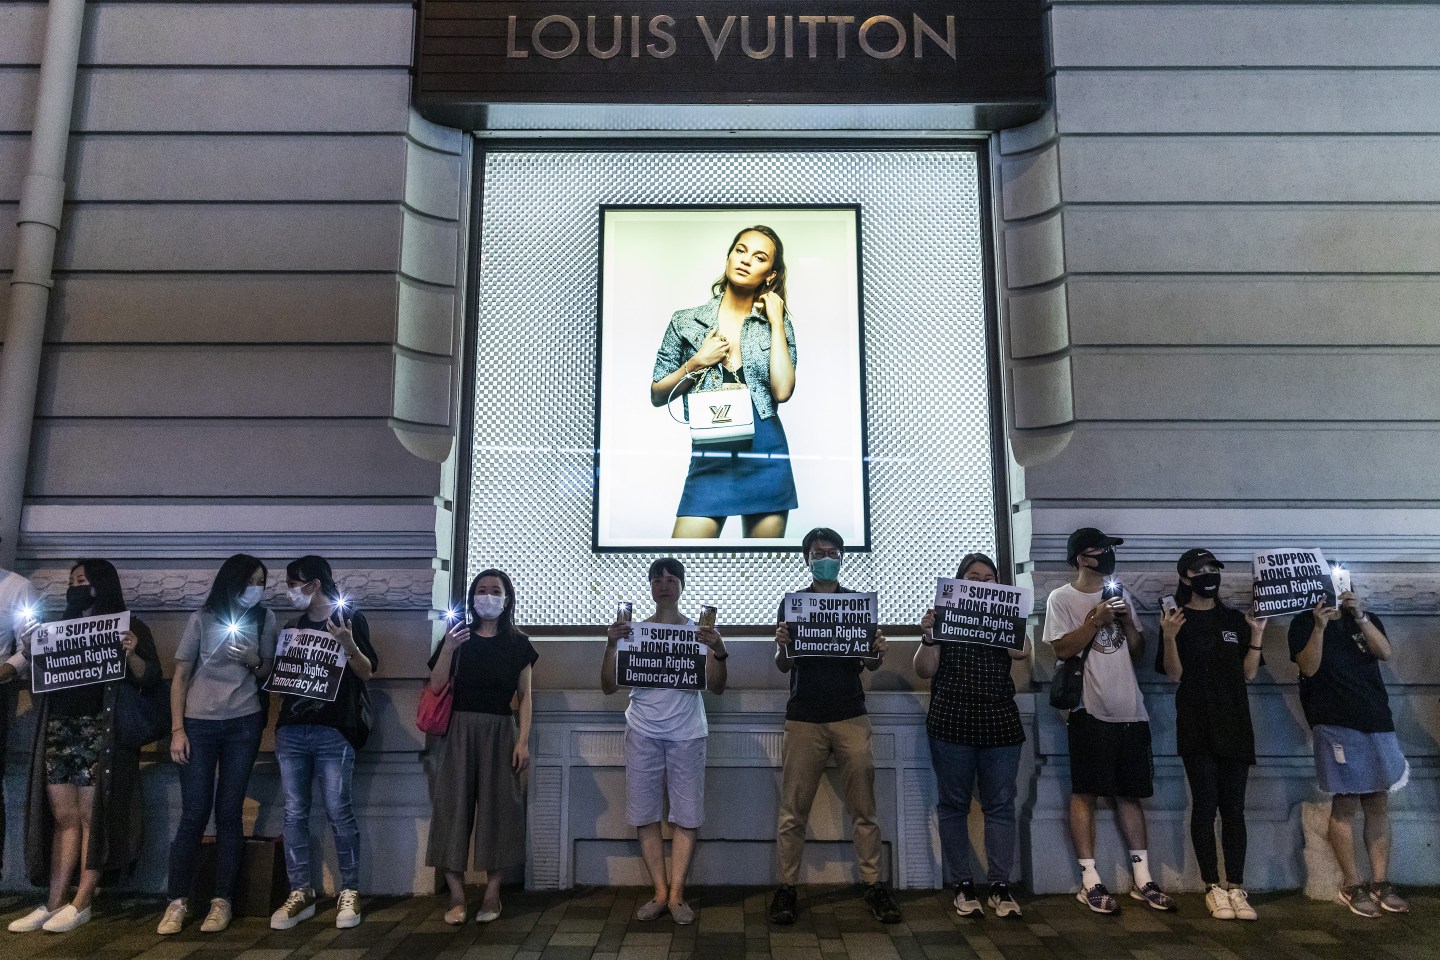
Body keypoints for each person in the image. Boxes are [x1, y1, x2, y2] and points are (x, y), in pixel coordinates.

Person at [6, 559, 161, 934]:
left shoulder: (129, 625)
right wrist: (31, 649)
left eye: (83, 581)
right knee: (64, 818)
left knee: (93, 816)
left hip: (101, 730)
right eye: (72, 581)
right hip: (61, 727)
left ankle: (83, 900)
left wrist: (132, 653)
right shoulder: (58, 628)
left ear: (102, 585)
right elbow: (42, 676)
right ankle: (53, 901)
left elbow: (150, 678)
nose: (75, 587)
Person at [769, 527, 902, 926]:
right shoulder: (793, 604)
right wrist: (782, 645)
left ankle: (874, 885)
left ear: (842, 556)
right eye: (817, 552)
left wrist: (879, 652)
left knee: (864, 809)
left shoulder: (858, 605)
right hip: (804, 717)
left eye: (831, 551)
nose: (825, 557)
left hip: (850, 715)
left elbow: (870, 663)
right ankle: (786, 888)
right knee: (793, 811)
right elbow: (784, 665)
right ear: (806, 559)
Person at [1043, 528, 1174, 914]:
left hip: (1131, 710)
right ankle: (1090, 880)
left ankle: (1143, 878)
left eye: (1109, 549)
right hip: (1089, 709)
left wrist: (1129, 622)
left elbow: (1137, 652)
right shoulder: (1061, 598)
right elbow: (1061, 648)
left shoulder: (1120, 594)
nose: (1107, 555)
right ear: (1081, 558)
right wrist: (1095, 621)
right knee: (1085, 792)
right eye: (1100, 549)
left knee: (1130, 794)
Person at [601, 558, 729, 925]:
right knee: (645, 813)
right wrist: (610, 645)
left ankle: (676, 894)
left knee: (686, 814)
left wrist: (719, 649)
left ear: (682, 586)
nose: (664, 584)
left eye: (672, 579)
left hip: (687, 732)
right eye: (657, 579)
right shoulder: (633, 632)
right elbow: (608, 686)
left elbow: (717, 686)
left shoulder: (699, 633)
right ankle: (659, 891)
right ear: (650, 587)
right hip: (642, 729)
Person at [651, 225, 798, 539]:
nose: (746, 260)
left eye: (759, 257)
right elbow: (657, 394)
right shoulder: (685, 321)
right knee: (683, 560)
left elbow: (783, 390)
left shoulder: (776, 324)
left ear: (770, 274)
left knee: (763, 564)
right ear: (729, 256)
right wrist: (696, 362)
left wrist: (775, 321)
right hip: (711, 456)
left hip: (766, 455)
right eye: (740, 250)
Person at [157, 554, 277, 934]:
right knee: (194, 812)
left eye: (261, 582)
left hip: (244, 720)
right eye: (250, 581)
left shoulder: (265, 618)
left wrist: (254, 660)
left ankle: (222, 900)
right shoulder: (202, 618)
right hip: (199, 723)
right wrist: (178, 729)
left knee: (229, 812)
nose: (256, 589)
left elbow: (268, 672)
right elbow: (180, 675)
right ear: (232, 581)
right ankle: (177, 900)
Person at [915, 553, 1028, 918]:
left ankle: (999, 886)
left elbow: (1022, 652)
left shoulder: (1005, 616)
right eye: (972, 577)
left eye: (988, 578)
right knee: (953, 805)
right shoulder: (945, 616)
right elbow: (924, 669)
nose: (980, 583)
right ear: (959, 582)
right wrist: (928, 636)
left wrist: (1009, 617)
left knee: (1000, 805)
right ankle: (962, 884)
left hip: (999, 722)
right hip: (952, 722)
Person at [1288, 579, 1410, 917]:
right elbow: (1308, 667)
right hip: (1334, 723)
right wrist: (1319, 626)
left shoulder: (1364, 618)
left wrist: (1360, 616)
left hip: (1377, 720)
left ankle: (1380, 881)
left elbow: (1385, 652)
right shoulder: (1303, 623)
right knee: (1344, 804)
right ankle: (1352, 884)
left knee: (1377, 802)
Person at [269, 556, 378, 931]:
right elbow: (281, 679)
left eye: (293, 583)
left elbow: (367, 672)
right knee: (294, 812)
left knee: (338, 809)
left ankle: (350, 889)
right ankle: (300, 891)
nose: (290, 591)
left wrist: (347, 643)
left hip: (334, 729)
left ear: (314, 584)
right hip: (292, 730)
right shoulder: (293, 627)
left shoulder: (349, 619)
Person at [1155, 549, 1264, 921]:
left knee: (1234, 809)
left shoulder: (1233, 618)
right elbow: (1174, 675)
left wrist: (1257, 634)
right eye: (1199, 570)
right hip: (1197, 725)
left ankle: (1236, 886)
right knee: (1204, 806)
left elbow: (1249, 672)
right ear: (1185, 577)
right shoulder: (1176, 620)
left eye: (1213, 568)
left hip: (1235, 723)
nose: (1208, 575)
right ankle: (1212, 887)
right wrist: (1170, 637)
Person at [425, 569, 536, 926]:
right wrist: (449, 647)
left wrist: (522, 741)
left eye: (495, 590)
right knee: (452, 808)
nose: (488, 596)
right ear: (472, 597)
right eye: (481, 589)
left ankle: (492, 893)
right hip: (458, 729)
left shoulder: (519, 643)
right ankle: (457, 895)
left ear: (507, 598)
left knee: (500, 809)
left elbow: (525, 696)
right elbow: (436, 685)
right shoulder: (457, 635)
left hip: (501, 729)